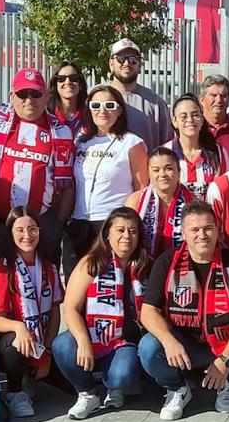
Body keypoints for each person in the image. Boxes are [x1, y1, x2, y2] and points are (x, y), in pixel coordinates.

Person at [139, 200, 229, 419]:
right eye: (194, 229)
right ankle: (177, 388)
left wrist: (225, 360)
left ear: (217, 230)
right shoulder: (168, 262)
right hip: (186, 345)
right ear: (183, 232)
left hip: (227, 341)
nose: (202, 235)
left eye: (208, 228)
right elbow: (148, 311)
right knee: (148, 348)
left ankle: (227, 383)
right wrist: (168, 340)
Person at [0, 69, 75, 266]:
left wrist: (57, 224)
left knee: (40, 287)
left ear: (46, 96)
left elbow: (68, 183)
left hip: (37, 226)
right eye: (22, 94)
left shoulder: (61, 131)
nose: (29, 100)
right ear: (12, 95)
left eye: (36, 94)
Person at [52, 207, 152, 420]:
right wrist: (83, 341)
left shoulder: (145, 266)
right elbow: (70, 308)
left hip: (124, 342)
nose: (127, 236)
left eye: (133, 231)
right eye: (120, 230)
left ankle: (114, 386)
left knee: (122, 376)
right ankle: (87, 393)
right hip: (90, 336)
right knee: (62, 345)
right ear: (107, 233)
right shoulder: (92, 262)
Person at [65, 85, 149, 275]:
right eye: (96, 105)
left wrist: (127, 227)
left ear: (119, 110)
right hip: (79, 223)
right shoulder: (80, 141)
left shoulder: (131, 142)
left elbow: (142, 189)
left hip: (110, 224)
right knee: (74, 286)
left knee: (105, 286)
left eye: (109, 105)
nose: (102, 110)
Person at [0, 207, 64, 417]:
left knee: (70, 386)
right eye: (20, 230)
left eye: (32, 229)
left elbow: (55, 312)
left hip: (40, 343)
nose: (27, 236)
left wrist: (47, 352)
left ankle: (32, 375)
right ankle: (15, 391)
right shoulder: (4, 267)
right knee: (16, 344)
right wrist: (18, 326)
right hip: (10, 342)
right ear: (10, 234)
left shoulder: (48, 267)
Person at [124, 146, 195, 258]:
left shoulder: (193, 202)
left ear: (179, 171)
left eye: (168, 169)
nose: (162, 174)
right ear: (149, 173)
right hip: (142, 265)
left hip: (181, 266)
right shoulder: (135, 201)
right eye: (156, 170)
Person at [108, 38, 173, 147]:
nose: (127, 63)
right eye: (121, 59)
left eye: (133, 59)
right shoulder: (95, 99)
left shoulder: (156, 104)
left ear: (139, 66)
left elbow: (167, 146)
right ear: (111, 64)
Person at [167, 94, 229, 199]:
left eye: (195, 115)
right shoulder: (166, 152)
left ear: (202, 118)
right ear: (174, 122)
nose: (190, 120)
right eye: (183, 116)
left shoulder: (218, 152)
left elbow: (227, 188)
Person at [49, 61, 86, 136]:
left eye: (73, 78)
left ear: (80, 84)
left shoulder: (90, 116)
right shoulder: (47, 116)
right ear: (55, 85)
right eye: (61, 79)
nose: (68, 82)